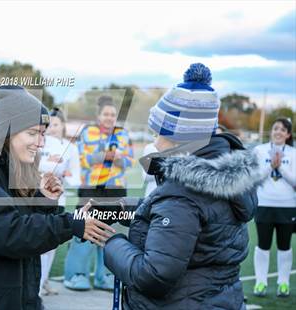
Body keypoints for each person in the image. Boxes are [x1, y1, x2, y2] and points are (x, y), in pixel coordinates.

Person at [98, 63, 262, 309]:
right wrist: (117, 208)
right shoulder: (216, 176)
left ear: (177, 136)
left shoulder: (184, 194)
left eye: (157, 132)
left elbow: (153, 275)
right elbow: (175, 217)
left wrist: (111, 242)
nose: (154, 139)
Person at [0, 85, 115, 310]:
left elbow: (19, 222)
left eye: (42, 133)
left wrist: (42, 199)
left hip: (11, 295)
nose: (40, 142)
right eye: (32, 133)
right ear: (6, 130)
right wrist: (70, 224)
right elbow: (5, 233)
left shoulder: (12, 163)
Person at [63, 95, 134, 291]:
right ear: (99, 115)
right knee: (84, 231)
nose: (110, 117)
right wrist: (105, 155)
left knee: (111, 233)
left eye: (113, 114)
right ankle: (76, 275)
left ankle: (106, 276)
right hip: (91, 190)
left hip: (116, 191)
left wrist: (119, 159)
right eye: (106, 114)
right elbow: (83, 158)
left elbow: (130, 160)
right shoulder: (88, 131)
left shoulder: (123, 134)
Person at [38, 107, 81, 295]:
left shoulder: (70, 147)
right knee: (37, 242)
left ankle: (43, 280)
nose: (52, 128)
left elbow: (76, 178)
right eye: (49, 125)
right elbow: (33, 165)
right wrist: (52, 166)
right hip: (35, 199)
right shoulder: (39, 143)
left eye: (56, 124)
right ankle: (37, 285)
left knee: (50, 245)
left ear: (63, 125)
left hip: (58, 200)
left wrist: (62, 172)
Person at [252, 117, 296, 297]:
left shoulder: (293, 153)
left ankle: (283, 284)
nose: (278, 132)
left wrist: (281, 168)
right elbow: (254, 178)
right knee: (262, 246)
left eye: (283, 129)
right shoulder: (259, 150)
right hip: (264, 204)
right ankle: (260, 283)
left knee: (284, 246)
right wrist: (270, 166)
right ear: (271, 131)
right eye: (276, 128)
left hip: (287, 206)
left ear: (288, 135)